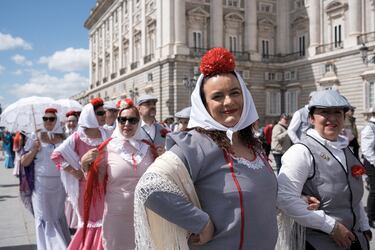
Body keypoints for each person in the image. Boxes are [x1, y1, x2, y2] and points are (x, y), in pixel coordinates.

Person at [134, 48, 277, 249]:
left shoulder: (253, 144)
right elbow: (149, 188)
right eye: (218, 96)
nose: (228, 101)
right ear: (204, 105)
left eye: (234, 93)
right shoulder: (197, 143)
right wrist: (200, 222)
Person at [277, 90, 371, 249]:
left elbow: (353, 197)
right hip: (319, 241)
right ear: (311, 118)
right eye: (324, 112)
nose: (332, 118)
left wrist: (364, 225)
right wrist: (331, 226)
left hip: (354, 238)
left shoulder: (344, 148)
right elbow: (285, 198)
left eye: (338, 113)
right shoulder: (301, 151)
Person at [83, 98, 155, 249]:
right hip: (116, 217)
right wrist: (85, 164)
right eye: (122, 120)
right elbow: (94, 181)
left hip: (146, 215)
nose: (127, 124)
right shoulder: (107, 148)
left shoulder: (149, 149)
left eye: (132, 120)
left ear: (138, 122)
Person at [51, 97, 110, 250]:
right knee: (90, 220)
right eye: (100, 113)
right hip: (86, 187)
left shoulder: (108, 134)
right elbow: (56, 155)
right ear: (90, 115)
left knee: (106, 219)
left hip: (107, 186)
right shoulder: (77, 137)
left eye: (104, 112)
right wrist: (74, 171)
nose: (104, 115)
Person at [21, 108, 71, 250]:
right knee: (44, 216)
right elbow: (24, 162)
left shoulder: (63, 136)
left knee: (57, 215)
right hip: (40, 184)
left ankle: (62, 243)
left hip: (59, 183)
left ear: (56, 120)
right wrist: (34, 149)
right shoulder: (34, 136)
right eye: (45, 119)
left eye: (51, 119)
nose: (48, 121)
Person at [361, 105, 375, 229]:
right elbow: (366, 150)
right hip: (371, 163)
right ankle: (370, 218)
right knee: (374, 191)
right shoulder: (369, 128)